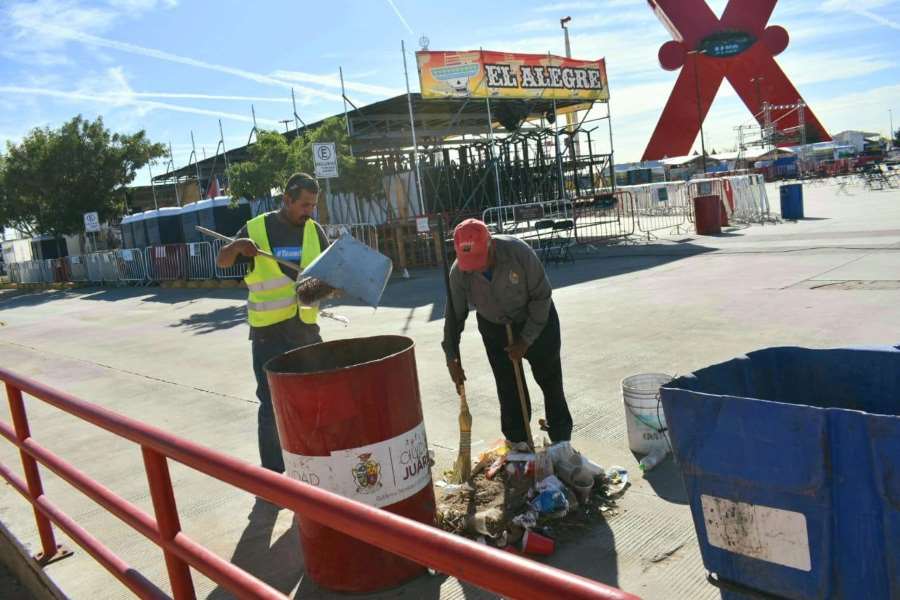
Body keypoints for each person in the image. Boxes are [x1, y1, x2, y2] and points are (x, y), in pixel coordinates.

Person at [216, 172, 329, 473]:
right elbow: (222, 261)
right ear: (287, 200)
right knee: (271, 404)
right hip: (269, 335)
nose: (310, 211)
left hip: (306, 330)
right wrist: (237, 247)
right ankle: (274, 475)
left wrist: (331, 285)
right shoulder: (256, 229)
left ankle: (315, 462)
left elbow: (330, 274)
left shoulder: (314, 231)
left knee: (318, 395)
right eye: (304, 204)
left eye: (313, 205)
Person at [442, 218, 573, 447]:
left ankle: (561, 439)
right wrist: (451, 355)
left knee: (550, 380)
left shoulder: (518, 253)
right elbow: (455, 315)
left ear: (490, 243)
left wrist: (525, 340)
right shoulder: (459, 273)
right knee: (508, 387)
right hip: (495, 326)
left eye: (481, 260)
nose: (478, 268)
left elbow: (542, 297)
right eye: (471, 264)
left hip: (537, 320)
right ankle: (518, 441)